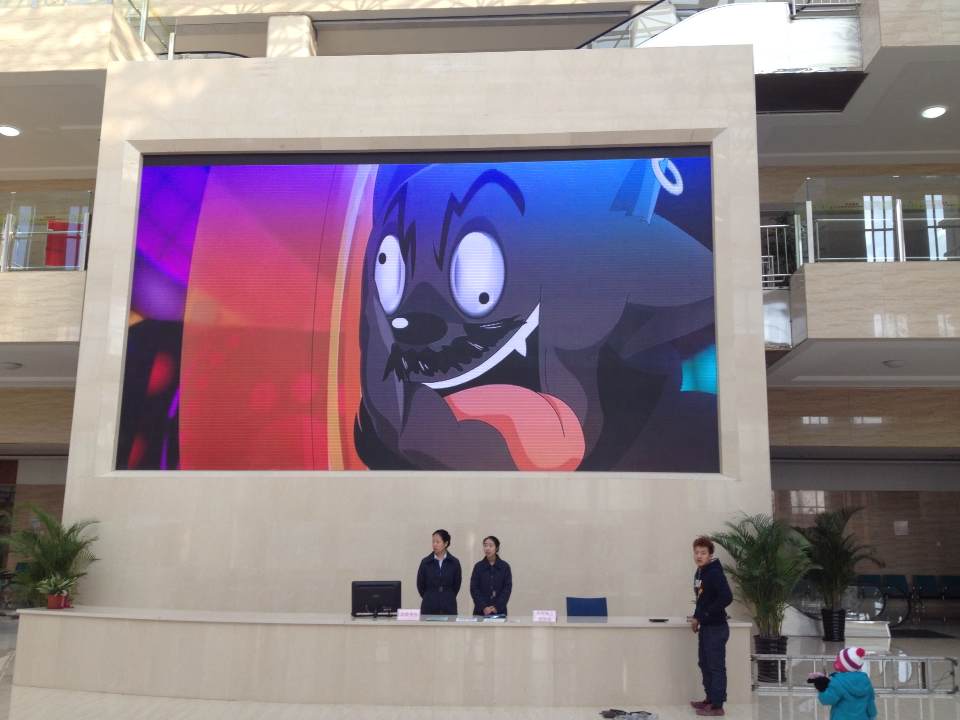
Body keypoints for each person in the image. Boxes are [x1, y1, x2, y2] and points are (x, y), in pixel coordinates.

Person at [689, 535, 733, 717]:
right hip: (706, 627)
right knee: (704, 663)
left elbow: (727, 597)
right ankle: (710, 699)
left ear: (710, 555)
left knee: (715, 666)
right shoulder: (700, 572)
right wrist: (696, 617)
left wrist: (705, 614)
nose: (699, 556)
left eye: (703, 553)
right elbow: (701, 600)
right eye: (696, 552)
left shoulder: (714, 573)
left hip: (716, 628)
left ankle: (717, 706)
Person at [807, 647, 877, 720]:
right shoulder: (865, 681)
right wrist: (872, 715)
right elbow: (870, 702)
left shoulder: (838, 681)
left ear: (842, 664)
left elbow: (826, 700)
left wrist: (821, 687)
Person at [416, 529, 462, 615]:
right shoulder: (425, 562)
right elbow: (420, 585)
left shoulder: (454, 562)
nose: (434, 544)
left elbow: (456, 585)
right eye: (433, 542)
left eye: (437, 542)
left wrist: (447, 596)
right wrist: (431, 596)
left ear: (446, 543)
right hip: (429, 606)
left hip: (448, 605)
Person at [470, 535, 513, 616]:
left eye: (490, 546)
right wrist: (484, 607)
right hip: (481, 611)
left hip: (499, 611)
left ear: (497, 548)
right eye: (485, 545)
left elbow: (507, 589)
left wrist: (497, 607)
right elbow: (474, 588)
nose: (487, 548)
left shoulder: (504, 567)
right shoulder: (478, 566)